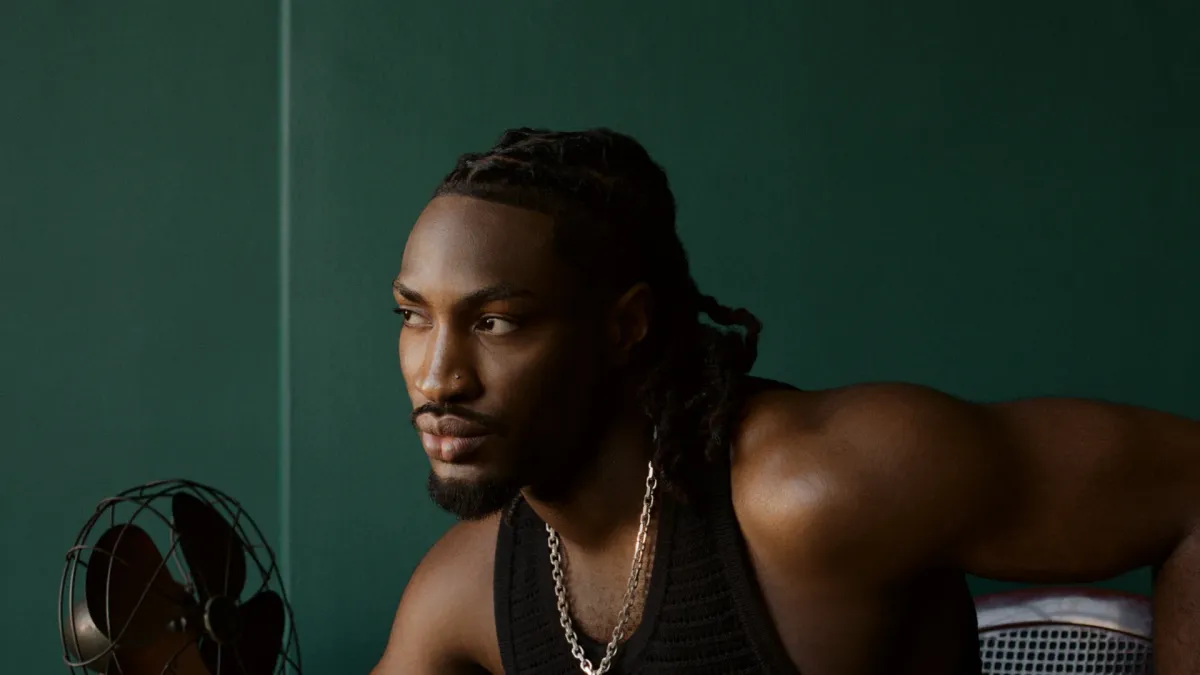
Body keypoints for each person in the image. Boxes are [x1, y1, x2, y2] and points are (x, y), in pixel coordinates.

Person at [370, 127, 1199, 675]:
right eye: (413, 316)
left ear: (625, 326)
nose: (439, 376)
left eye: (497, 321)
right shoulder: (464, 593)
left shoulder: (813, 491)